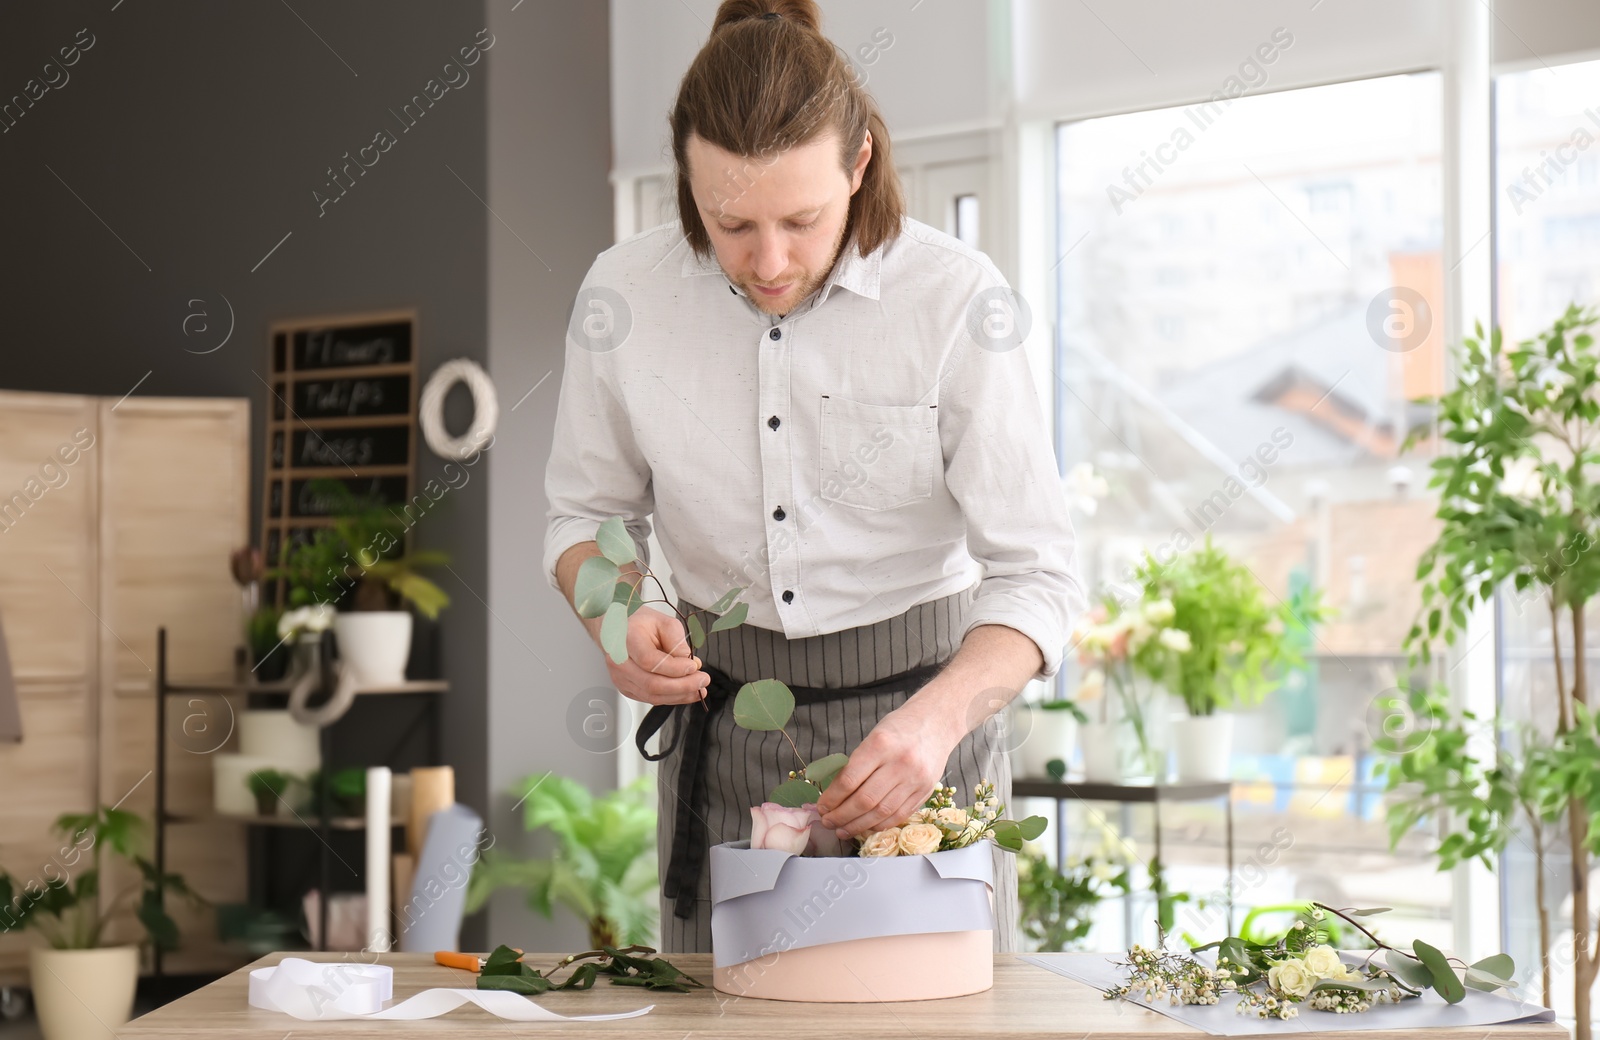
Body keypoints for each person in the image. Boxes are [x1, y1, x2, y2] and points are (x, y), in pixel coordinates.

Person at [542, 0, 1084, 954]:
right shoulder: (623, 295)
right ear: (687, 179)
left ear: (860, 162)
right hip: (724, 732)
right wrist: (614, 615)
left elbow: (1039, 574)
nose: (769, 260)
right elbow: (585, 515)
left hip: (923, 736)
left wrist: (939, 721)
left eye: (802, 219)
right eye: (730, 223)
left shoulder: (955, 299)